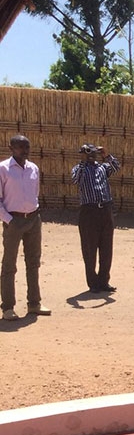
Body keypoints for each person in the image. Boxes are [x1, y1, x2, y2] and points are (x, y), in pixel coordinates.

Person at [0, 135, 50, 320]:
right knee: (9, 265)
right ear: (11, 148)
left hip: (33, 220)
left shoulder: (34, 168)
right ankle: (7, 307)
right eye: (21, 147)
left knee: (33, 262)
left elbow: (35, 193)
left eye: (27, 147)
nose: (25, 150)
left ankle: (34, 303)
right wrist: (9, 220)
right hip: (13, 221)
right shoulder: (3, 169)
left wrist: (34, 214)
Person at [71, 143, 121, 293]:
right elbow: (75, 179)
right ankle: (93, 283)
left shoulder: (102, 168)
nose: (91, 156)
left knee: (106, 248)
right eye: (88, 153)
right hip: (89, 211)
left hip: (105, 209)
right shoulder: (79, 169)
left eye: (93, 153)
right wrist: (83, 161)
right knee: (89, 248)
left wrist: (106, 155)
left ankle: (104, 281)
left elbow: (116, 167)